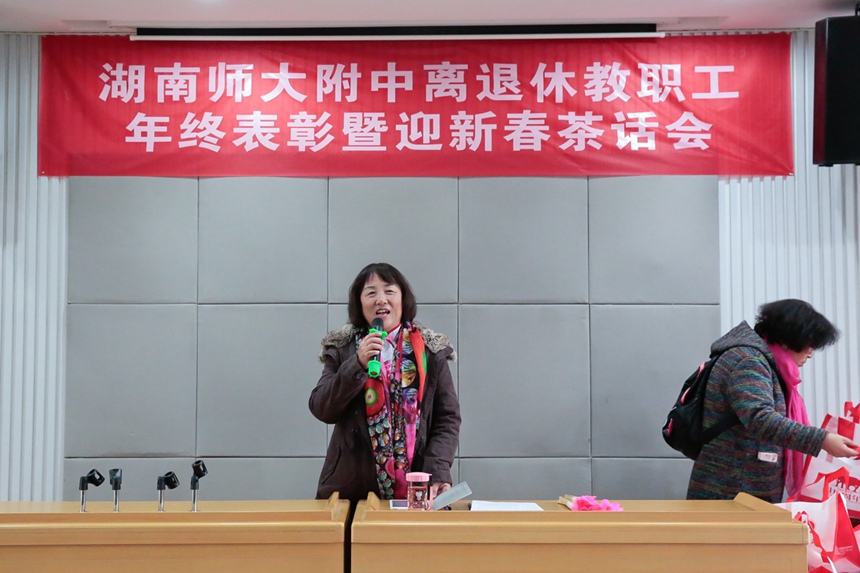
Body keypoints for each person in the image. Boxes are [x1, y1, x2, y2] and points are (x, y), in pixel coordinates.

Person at [310, 262, 461, 504]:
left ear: (403, 299)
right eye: (371, 293)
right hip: (352, 491)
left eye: (389, 291)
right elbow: (322, 408)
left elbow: (447, 418)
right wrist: (357, 364)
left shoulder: (430, 351)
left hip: (416, 488)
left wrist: (438, 469)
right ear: (360, 303)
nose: (381, 299)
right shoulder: (343, 349)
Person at [687, 299, 860, 503]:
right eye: (810, 345)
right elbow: (760, 419)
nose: (811, 354)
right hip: (731, 492)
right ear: (789, 339)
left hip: (740, 489)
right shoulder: (748, 361)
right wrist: (823, 440)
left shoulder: (758, 360)